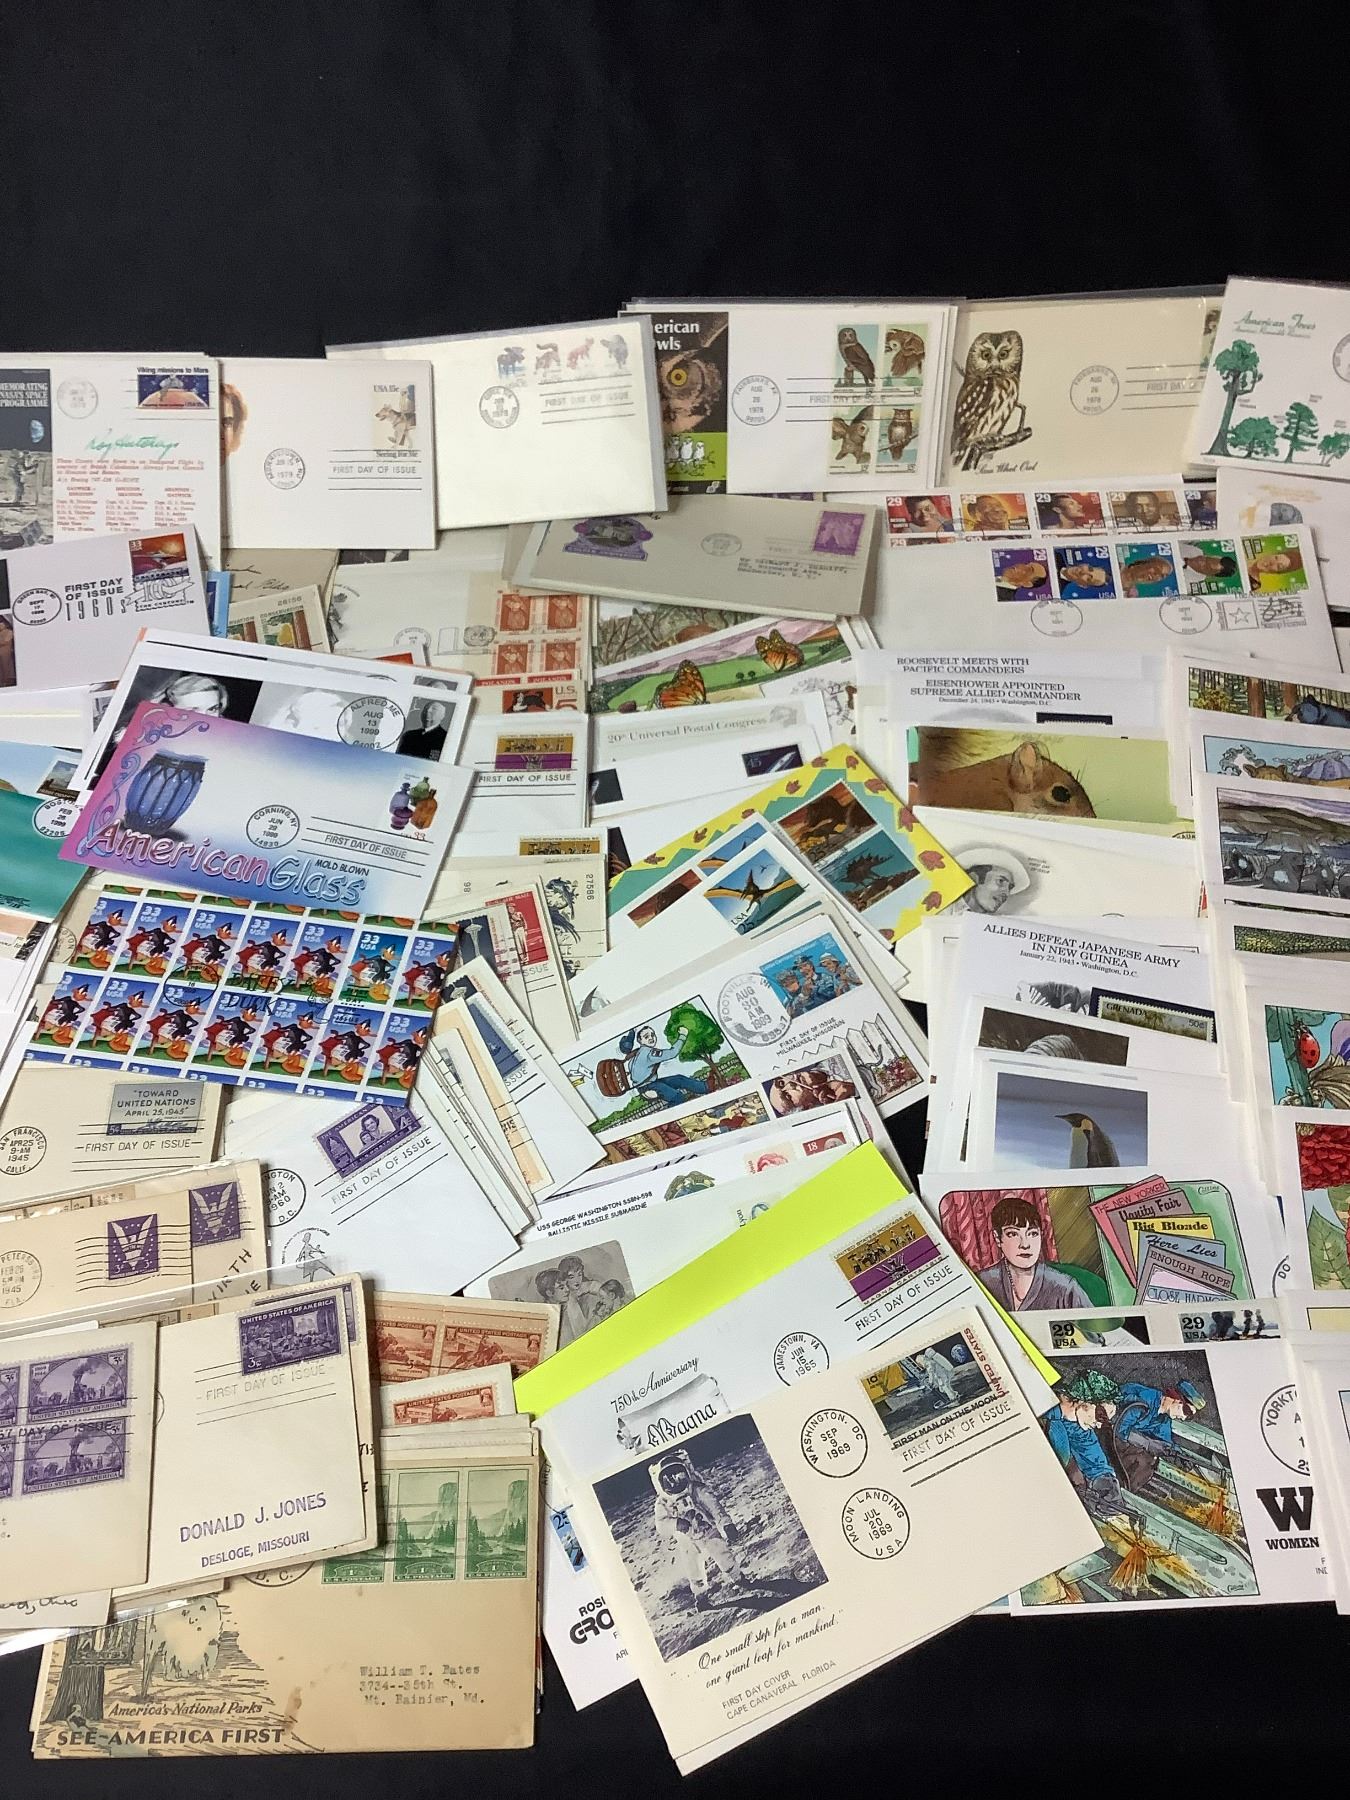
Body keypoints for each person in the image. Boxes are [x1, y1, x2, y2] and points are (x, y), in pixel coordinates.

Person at [649, 1449, 746, 1612]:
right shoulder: (663, 1503)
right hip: (687, 1541)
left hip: (708, 1532)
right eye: (668, 1479)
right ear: (660, 1483)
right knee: (693, 1569)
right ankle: (701, 1597)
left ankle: (739, 1579)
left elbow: (715, 1508)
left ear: (686, 1472)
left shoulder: (697, 1490)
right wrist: (677, 1523)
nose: (674, 1482)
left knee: (723, 1555)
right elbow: (661, 1525)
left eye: (678, 1475)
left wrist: (726, 1524)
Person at [975, 1193, 1093, 1311]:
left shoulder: (1065, 1287)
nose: (1025, 1244)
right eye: (1013, 1234)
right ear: (997, 1238)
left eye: (1032, 1233)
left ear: (1041, 1235)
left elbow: (1094, 1322)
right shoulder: (981, 1282)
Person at [1045, 1369, 1126, 1518]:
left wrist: (1108, 1485)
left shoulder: (1079, 1429)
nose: (1099, 1425)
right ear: (1085, 1402)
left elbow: (1094, 1460)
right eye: (1101, 1416)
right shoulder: (1042, 1405)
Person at [1112, 1378, 1206, 1492]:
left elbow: (1165, 1442)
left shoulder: (1164, 1419)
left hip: (1124, 1442)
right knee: (1141, 1460)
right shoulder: (1144, 1399)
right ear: (1177, 1399)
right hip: (1108, 1434)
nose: (1183, 1418)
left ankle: (1124, 1491)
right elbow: (1120, 1429)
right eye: (1186, 1411)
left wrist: (1181, 1457)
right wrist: (1148, 1444)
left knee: (1150, 1461)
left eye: (1189, 1417)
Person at [619, 1023, 706, 1108]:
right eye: (646, 1037)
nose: (651, 1038)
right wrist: (683, 1036)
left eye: (652, 1035)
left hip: (648, 1085)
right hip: (649, 1086)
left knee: (679, 1079)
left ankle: (706, 1087)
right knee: (677, 1097)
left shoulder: (635, 1054)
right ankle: (673, 1116)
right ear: (640, 1040)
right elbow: (672, 1053)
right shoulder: (650, 1053)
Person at [952, 852, 1030, 915]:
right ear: (974, 878)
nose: (1006, 893)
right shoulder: (947, 908)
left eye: (1010, 888)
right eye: (1000, 881)